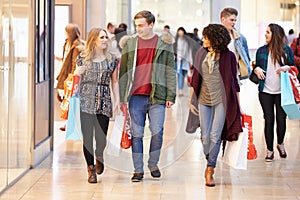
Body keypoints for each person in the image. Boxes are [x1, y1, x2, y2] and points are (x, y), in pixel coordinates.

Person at [119, 10, 176, 182]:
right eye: (137, 25)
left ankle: (153, 163)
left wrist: (170, 95)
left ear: (151, 25)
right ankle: (138, 170)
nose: (139, 29)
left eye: (142, 25)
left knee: (157, 132)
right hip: (135, 96)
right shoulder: (130, 44)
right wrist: (122, 98)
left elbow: (170, 71)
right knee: (137, 134)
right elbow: (123, 72)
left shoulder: (164, 44)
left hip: (157, 96)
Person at [187, 24, 242, 187]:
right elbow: (195, 77)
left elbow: (234, 83)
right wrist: (191, 100)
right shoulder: (201, 53)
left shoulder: (229, 57)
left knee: (215, 135)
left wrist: (238, 106)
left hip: (221, 102)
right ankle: (209, 159)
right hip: (204, 99)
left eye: (206, 37)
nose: (203, 39)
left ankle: (210, 168)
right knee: (205, 136)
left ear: (214, 39)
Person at [74, 27, 119, 183]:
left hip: (104, 101)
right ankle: (90, 170)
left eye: (106, 37)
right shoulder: (82, 58)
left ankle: (99, 155)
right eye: (102, 37)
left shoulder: (112, 59)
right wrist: (76, 74)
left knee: (101, 138)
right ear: (93, 40)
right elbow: (76, 80)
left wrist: (117, 100)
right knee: (87, 138)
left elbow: (115, 82)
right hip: (86, 101)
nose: (105, 40)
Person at [253, 23, 294, 162]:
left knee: (281, 120)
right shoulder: (261, 51)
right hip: (265, 91)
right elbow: (256, 66)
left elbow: (294, 67)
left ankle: (280, 144)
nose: (265, 34)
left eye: (268, 32)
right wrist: (256, 69)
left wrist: (286, 68)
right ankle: (269, 150)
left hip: (282, 91)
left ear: (275, 34)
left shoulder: (286, 50)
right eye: (265, 32)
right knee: (269, 120)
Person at [56, 23, 85, 131]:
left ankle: (71, 124)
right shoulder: (66, 44)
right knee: (67, 100)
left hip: (71, 76)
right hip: (65, 74)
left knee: (72, 100)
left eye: (66, 31)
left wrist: (73, 79)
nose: (65, 34)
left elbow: (75, 64)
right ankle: (69, 123)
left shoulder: (77, 46)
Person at [220, 7, 251, 80]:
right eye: (231, 20)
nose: (234, 22)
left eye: (235, 20)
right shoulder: (215, 36)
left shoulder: (240, 38)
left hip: (234, 75)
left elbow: (246, 56)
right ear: (223, 19)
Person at [174, 27, 193, 96]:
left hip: (186, 60)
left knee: (184, 75)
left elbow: (189, 51)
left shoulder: (187, 41)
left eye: (181, 32)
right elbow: (175, 50)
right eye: (179, 32)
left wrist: (191, 61)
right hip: (179, 60)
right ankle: (180, 90)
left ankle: (182, 88)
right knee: (180, 75)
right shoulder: (176, 41)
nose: (180, 33)